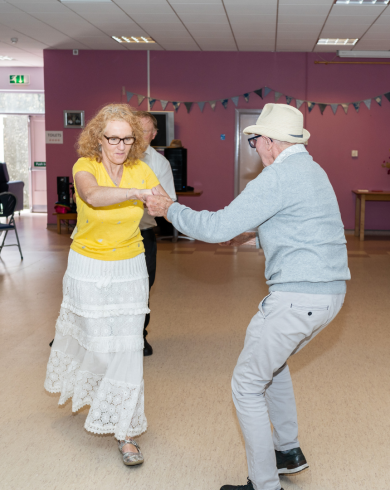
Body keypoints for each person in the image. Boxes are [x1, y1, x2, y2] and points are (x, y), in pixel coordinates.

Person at [145, 104, 351, 490]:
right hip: (328, 295)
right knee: (273, 368)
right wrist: (254, 235)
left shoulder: (277, 178)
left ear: (271, 142)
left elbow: (216, 225)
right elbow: (306, 225)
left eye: (255, 140)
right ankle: (288, 452)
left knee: (246, 385)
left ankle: (264, 484)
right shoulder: (312, 170)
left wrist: (168, 209)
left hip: (297, 297)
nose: (255, 147)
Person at [44, 104, 171, 466]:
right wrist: (136, 193)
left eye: (126, 138)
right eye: (112, 138)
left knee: (128, 347)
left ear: (135, 140)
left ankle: (126, 431)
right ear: (98, 138)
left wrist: (180, 211)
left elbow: (162, 204)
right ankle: (100, 396)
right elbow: (93, 196)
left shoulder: (142, 169)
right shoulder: (85, 166)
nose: (119, 145)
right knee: (100, 346)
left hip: (130, 267)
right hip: (88, 267)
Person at [136, 111, 176, 356]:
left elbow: (167, 203)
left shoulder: (159, 164)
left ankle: (139, 335)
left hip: (142, 231)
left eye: (144, 131)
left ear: (153, 135)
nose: (137, 136)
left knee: (143, 285)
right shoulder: (107, 157)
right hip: (104, 233)